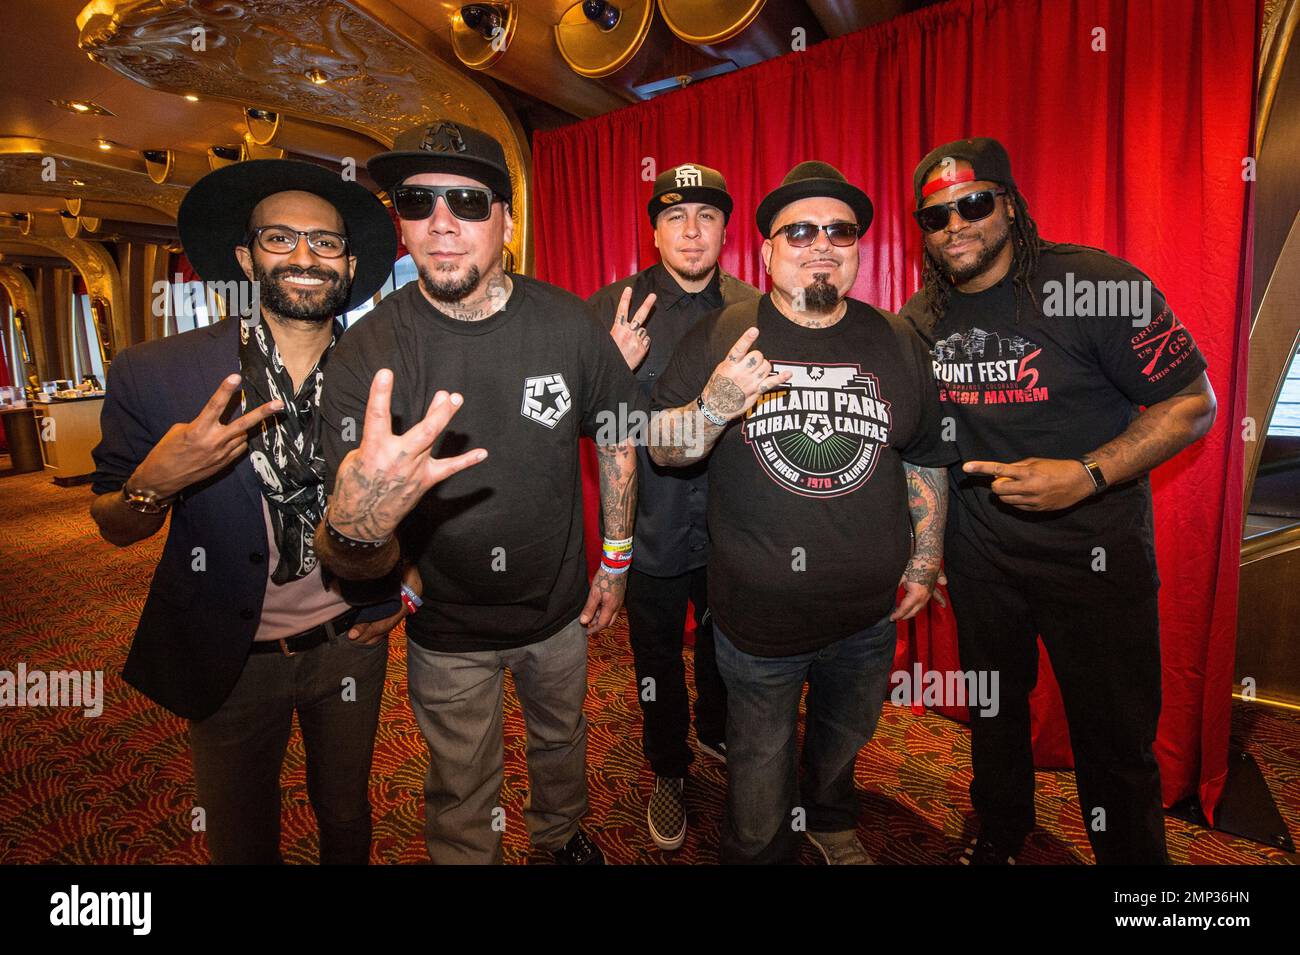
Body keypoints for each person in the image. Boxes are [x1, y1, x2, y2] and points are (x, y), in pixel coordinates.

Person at [315, 120, 642, 865]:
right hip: (448, 628)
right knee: (461, 795)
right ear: (399, 220)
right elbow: (346, 528)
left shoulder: (569, 323)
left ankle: (559, 840)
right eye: (417, 202)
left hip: (558, 612)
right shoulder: (370, 348)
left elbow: (619, 438)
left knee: (562, 746)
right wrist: (376, 542)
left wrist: (616, 561)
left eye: (467, 201)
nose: (441, 225)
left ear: (507, 219)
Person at [899, 137, 1218, 865]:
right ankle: (1002, 833)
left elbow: (1193, 402)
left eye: (974, 204)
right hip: (981, 560)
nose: (956, 225)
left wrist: (1087, 472)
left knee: (1113, 736)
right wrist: (927, 548)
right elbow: (925, 449)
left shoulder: (1094, 285)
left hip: (1096, 559)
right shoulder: (922, 318)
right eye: (937, 215)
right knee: (994, 713)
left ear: (1009, 205)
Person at [90, 159, 402, 863]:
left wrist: (401, 580)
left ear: (348, 266)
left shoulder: (385, 367)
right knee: (238, 837)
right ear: (244, 255)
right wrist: (154, 484)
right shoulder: (156, 371)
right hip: (230, 655)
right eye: (280, 238)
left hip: (348, 643)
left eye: (324, 243)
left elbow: (416, 498)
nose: (303, 256)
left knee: (348, 816)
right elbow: (112, 523)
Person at [649, 161, 955, 864]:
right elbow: (662, 448)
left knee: (844, 739)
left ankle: (829, 817)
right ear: (766, 251)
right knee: (758, 772)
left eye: (840, 230)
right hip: (760, 623)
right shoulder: (723, 332)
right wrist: (714, 406)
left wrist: (927, 552)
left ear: (858, 248)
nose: (822, 242)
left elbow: (925, 452)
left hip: (867, 615)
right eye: (800, 230)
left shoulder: (897, 339)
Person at [587, 162, 759, 850]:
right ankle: (668, 767)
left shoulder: (753, 306)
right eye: (675, 217)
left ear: (725, 229)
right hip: (650, 529)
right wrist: (608, 368)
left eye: (707, 217)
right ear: (654, 230)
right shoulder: (612, 307)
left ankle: (716, 732)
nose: (691, 231)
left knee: (727, 649)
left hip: (733, 529)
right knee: (655, 660)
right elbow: (574, 420)